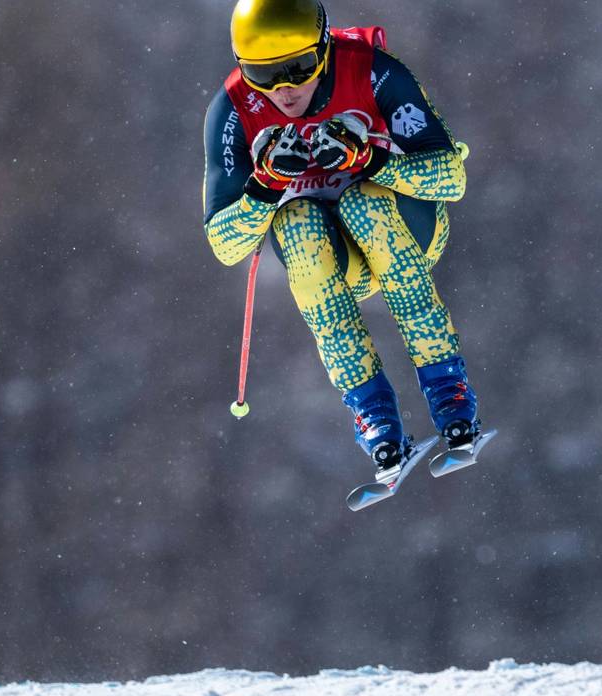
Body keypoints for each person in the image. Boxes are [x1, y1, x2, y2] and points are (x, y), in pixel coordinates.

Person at [202, 0, 481, 475]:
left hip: (408, 229)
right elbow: (225, 246)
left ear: (326, 49)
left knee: (364, 203)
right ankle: (374, 417)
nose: (285, 91)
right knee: (296, 225)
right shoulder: (232, 110)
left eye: (299, 68)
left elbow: (451, 179)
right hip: (337, 264)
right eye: (262, 75)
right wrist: (264, 186)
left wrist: (370, 160)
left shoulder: (373, 73)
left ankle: (449, 393)